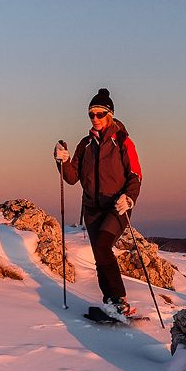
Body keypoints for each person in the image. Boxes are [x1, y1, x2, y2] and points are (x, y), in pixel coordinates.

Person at [55, 88, 142, 319]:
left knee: (103, 247)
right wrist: (62, 162)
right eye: (91, 114)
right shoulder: (85, 145)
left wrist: (129, 198)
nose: (95, 118)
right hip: (92, 209)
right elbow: (73, 178)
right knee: (99, 255)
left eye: (100, 114)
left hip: (116, 206)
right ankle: (110, 302)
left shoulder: (123, 142)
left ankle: (119, 300)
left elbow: (135, 175)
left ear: (110, 114)